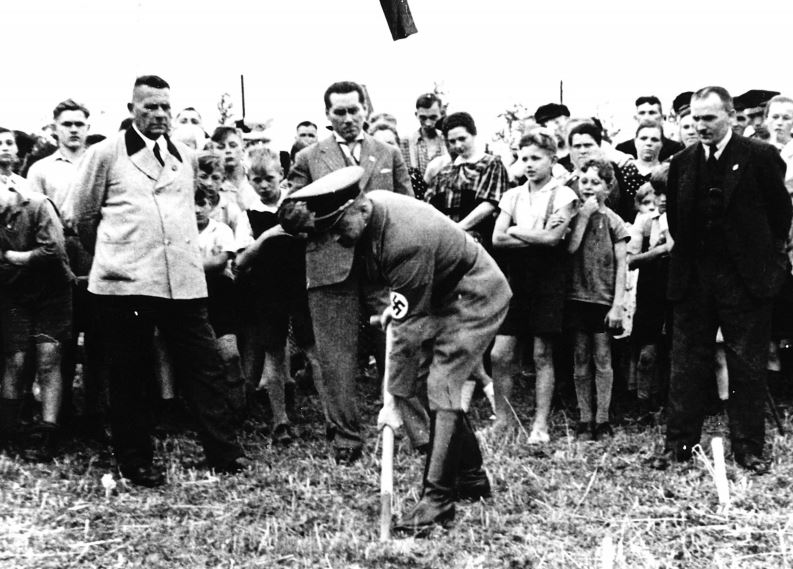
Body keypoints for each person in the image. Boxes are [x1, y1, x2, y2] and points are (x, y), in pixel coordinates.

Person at [278, 166, 511, 533]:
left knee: (441, 385)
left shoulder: (405, 237)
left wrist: (393, 402)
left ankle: (437, 502)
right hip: (440, 291)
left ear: (359, 208)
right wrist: (398, 309)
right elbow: (406, 303)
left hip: (475, 293)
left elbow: (407, 333)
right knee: (423, 383)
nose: (336, 239)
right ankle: (471, 477)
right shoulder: (372, 216)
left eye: (338, 228)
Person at [67, 75, 246, 487]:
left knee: (205, 366)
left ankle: (224, 453)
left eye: (166, 107)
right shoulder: (105, 154)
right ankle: (136, 461)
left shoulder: (183, 155)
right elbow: (84, 217)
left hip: (182, 280)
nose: (160, 115)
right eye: (150, 107)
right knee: (130, 373)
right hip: (125, 283)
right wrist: (118, 256)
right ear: (132, 110)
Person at [653, 86, 792, 474]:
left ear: (731, 116)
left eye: (709, 118)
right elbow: (678, 222)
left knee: (746, 366)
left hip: (745, 281)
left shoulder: (761, 157)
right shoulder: (682, 162)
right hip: (694, 280)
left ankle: (748, 448)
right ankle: (678, 445)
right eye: (695, 118)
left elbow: (780, 218)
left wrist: (768, 267)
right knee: (686, 365)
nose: (700, 125)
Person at [287, 80, 417, 464]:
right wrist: (318, 218)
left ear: (365, 109)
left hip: (382, 269)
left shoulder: (388, 153)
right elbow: (290, 213)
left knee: (397, 347)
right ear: (327, 116)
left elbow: (406, 208)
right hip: (330, 269)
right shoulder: (309, 158)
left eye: (353, 110)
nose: (347, 119)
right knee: (336, 359)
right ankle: (346, 438)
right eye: (339, 112)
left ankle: (407, 427)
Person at [490, 130, 579, 443]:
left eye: (535, 158)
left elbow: (553, 239)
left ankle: (540, 424)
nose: (528, 164)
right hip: (515, 280)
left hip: (548, 280)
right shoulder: (512, 195)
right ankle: (503, 420)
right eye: (523, 158)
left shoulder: (564, 195)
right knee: (501, 354)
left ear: (552, 159)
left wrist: (518, 230)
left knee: (542, 353)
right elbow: (497, 238)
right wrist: (533, 234)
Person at [0, 127, 73, 461]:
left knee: (48, 356)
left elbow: (54, 253)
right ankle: (9, 431)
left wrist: (16, 258)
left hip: (52, 291)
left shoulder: (38, 203)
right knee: (14, 359)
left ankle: (48, 431)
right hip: (14, 294)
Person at [565, 159, 629, 440]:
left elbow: (622, 265)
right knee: (580, 357)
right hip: (577, 296)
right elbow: (571, 248)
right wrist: (583, 216)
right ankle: (584, 417)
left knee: (602, 358)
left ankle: (602, 419)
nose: (588, 187)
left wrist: (617, 305)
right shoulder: (574, 215)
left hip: (603, 299)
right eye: (585, 181)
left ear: (608, 186)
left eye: (595, 182)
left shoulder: (614, 221)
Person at [424, 112, 508, 250]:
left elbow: (489, 204)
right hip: (445, 241)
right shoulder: (444, 171)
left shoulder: (491, 164)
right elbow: (429, 206)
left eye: (462, 138)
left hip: (478, 240)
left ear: (474, 134)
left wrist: (458, 229)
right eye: (452, 141)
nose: (458, 145)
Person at [628, 168, 673, 423]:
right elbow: (631, 259)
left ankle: (670, 404)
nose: (663, 198)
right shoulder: (646, 221)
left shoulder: (687, 218)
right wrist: (659, 250)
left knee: (674, 352)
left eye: (668, 191)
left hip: (679, 291)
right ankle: (645, 404)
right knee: (647, 352)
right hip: (651, 290)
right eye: (658, 192)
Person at [401, 93, 448, 200]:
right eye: (423, 118)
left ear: (441, 114)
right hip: (415, 201)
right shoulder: (405, 142)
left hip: (443, 200)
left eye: (433, 117)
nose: (428, 123)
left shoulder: (448, 141)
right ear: (416, 115)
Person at [616, 122, 664, 221]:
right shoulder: (622, 170)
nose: (648, 143)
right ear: (635, 141)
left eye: (654, 139)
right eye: (643, 138)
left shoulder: (666, 172)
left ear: (662, 144)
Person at [615, 96, 683, 162]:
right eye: (642, 113)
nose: (646, 117)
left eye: (652, 112)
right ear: (636, 118)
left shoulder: (676, 150)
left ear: (662, 117)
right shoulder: (623, 149)